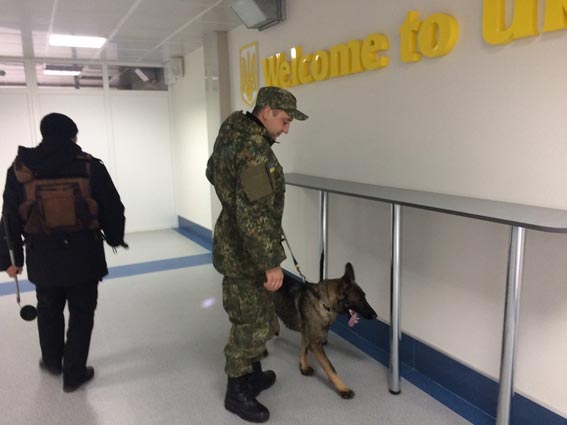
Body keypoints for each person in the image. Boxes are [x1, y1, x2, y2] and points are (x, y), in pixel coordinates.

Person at [0, 113, 126, 392]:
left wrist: (12, 259)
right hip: (84, 254)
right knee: (82, 313)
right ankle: (74, 374)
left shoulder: (20, 169)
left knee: (48, 309)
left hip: (42, 255)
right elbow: (112, 206)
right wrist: (115, 238)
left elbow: (9, 216)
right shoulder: (89, 166)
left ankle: (52, 362)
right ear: (73, 135)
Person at [206, 86, 308, 422]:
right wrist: (270, 263)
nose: (286, 129)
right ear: (266, 112)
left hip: (237, 241)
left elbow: (211, 171)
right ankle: (237, 391)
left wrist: (232, 198)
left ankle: (252, 374)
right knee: (250, 322)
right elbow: (253, 215)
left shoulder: (232, 131)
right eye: (285, 121)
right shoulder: (253, 150)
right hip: (246, 252)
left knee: (260, 314)